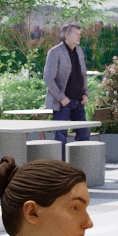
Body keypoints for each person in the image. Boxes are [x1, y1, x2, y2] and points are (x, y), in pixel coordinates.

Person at [42, 21, 90, 152]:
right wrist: (61, 98)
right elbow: (48, 78)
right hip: (62, 103)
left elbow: (83, 74)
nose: (79, 36)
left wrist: (85, 93)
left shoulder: (79, 51)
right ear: (66, 35)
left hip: (79, 102)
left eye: (80, 34)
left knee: (84, 136)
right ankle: (61, 169)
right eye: (76, 34)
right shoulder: (55, 52)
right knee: (60, 138)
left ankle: (81, 167)